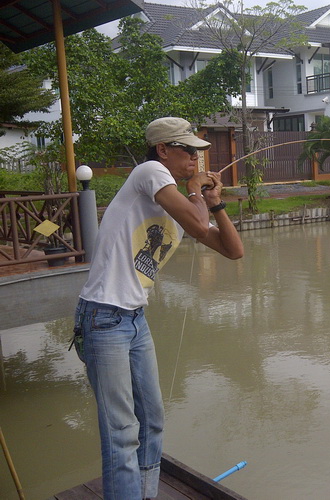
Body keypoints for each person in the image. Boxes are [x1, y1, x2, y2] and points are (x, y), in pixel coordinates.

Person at [72, 117, 244, 499]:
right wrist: (199, 193)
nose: (195, 161)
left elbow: (233, 251)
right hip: (103, 317)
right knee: (120, 432)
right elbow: (199, 227)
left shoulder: (181, 208)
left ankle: (146, 494)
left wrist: (216, 204)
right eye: (188, 152)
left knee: (152, 422)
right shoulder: (148, 171)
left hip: (134, 318)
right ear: (163, 150)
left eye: (198, 153)